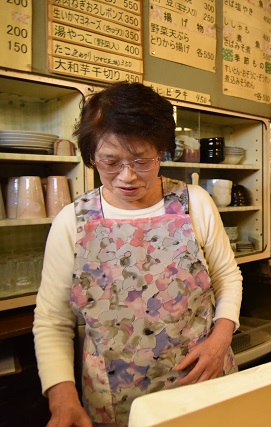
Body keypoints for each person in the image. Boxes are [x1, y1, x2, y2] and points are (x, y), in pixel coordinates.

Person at [33, 82, 243, 426]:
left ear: (162, 151)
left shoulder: (195, 204)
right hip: (115, 403)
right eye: (110, 162)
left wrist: (221, 339)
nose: (127, 176)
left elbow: (227, 277)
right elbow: (53, 321)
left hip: (203, 383)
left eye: (142, 160)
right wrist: (62, 397)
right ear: (91, 157)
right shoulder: (72, 222)